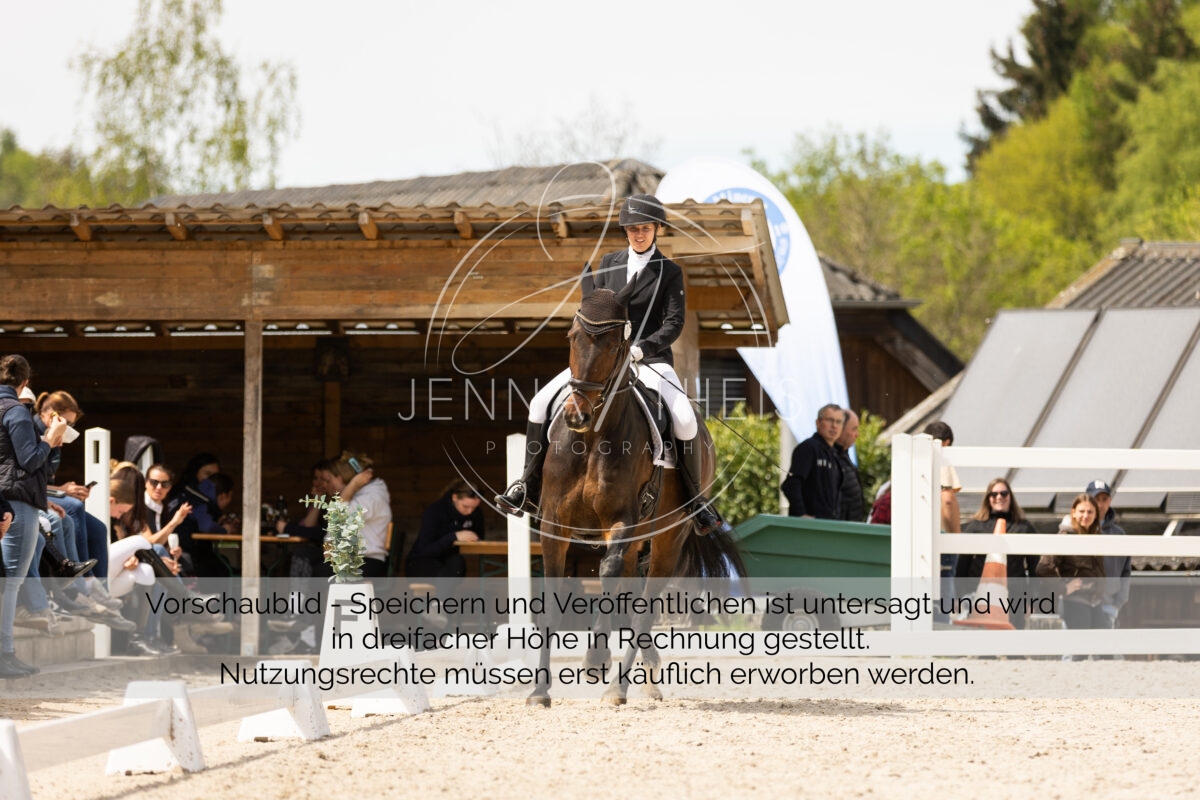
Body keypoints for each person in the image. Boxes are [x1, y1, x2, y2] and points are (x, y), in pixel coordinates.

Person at [495, 194, 726, 536]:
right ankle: (526, 487)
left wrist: (641, 349)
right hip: (602, 361)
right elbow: (595, 310)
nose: (638, 234)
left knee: (685, 419)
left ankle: (695, 502)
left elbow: (674, 323)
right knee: (540, 402)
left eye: (644, 228)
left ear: (656, 229)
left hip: (649, 361)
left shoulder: (669, 272)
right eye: (633, 229)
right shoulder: (609, 263)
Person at [957, 478, 1039, 628]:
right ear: (988, 498)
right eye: (994, 494)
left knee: (1013, 638)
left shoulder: (1024, 527)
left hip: (1015, 595)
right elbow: (963, 562)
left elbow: (1035, 567)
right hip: (979, 594)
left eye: (1004, 493)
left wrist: (1032, 599)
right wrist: (958, 595)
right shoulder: (975, 526)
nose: (999, 497)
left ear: (1010, 497)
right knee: (982, 639)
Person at [1037, 493, 1107, 632]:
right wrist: (1063, 588)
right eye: (1082, 511)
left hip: (1096, 602)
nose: (1085, 515)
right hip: (1074, 602)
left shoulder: (1096, 536)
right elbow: (1043, 567)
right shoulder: (1065, 536)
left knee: (1103, 643)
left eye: (1090, 512)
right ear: (1073, 513)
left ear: (1096, 515)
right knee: (1078, 645)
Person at [326, 452, 392, 578]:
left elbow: (340, 518)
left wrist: (352, 485)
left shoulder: (372, 497)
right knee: (308, 557)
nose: (327, 485)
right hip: (353, 560)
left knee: (317, 573)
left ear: (340, 478)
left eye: (329, 480)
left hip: (368, 561)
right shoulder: (358, 496)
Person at [407, 480, 484, 579]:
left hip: (449, 562)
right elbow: (424, 550)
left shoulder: (476, 514)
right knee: (448, 569)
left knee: (457, 563)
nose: (470, 511)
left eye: (474, 508)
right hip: (421, 562)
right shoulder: (435, 511)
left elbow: (480, 537)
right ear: (454, 497)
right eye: (465, 506)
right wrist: (454, 537)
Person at [924, 420, 961, 623]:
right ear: (946, 442)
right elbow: (947, 499)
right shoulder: (941, 457)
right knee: (941, 603)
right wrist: (956, 539)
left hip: (919, 539)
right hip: (942, 539)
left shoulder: (915, 460)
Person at [781, 404, 843, 519]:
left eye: (838, 422)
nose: (834, 425)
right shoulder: (808, 448)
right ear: (818, 423)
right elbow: (791, 484)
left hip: (829, 524)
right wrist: (801, 514)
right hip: (810, 525)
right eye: (830, 420)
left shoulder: (836, 455)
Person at [1086, 479, 1130, 630]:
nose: (1100, 504)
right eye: (1096, 499)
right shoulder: (1077, 532)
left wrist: (1117, 603)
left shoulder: (1119, 535)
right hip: (1079, 605)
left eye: (1104, 499)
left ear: (1110, 501)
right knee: (1075, 645)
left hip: (1107, 606)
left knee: (1103, 645)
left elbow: (1126, 571)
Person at [834, 408, 863, 522]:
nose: (857, 434)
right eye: (854, 429)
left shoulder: (844, 455)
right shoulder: (831, 458)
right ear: (841, 429)